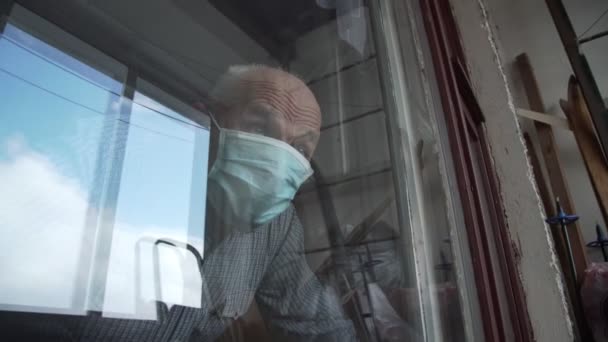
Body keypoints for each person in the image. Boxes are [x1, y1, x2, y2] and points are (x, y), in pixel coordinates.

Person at [0, 65, 356, 341]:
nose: (278, 160)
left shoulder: (278, 227)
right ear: (206, 118)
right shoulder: (109, 163)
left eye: (298, 149)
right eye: (262, 130)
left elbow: (317, 323)